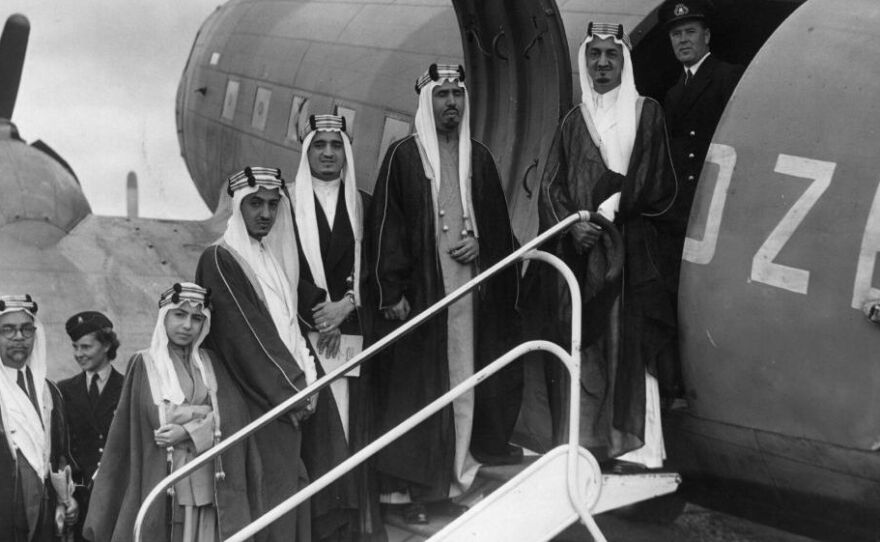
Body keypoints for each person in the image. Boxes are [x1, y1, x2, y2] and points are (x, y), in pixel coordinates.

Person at [366, 63, 519, 523]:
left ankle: (455, 478)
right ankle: (410, 492)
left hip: (467, 297)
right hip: (422, 299)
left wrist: (482, 244)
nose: (451, 103)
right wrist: (391, 290)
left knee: (462, 385)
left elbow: (498, 229)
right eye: (442, 95)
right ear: (426, 102)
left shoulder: (481, 158)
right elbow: (385, 228)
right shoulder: (404, 157)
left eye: (457, 95)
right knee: (416, 393)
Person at [538, 22, 677, 470]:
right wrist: (572, 228)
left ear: (624, 62)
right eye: (594, 55)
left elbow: (656, 179)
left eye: (610, 56)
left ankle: (639, 451)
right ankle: (589, 446)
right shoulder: (573, 121)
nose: (602, 64)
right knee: (588, 347)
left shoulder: (646, 111)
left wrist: (612, 209)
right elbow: (552, 188)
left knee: (632, 350)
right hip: (584, 254)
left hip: (632, 254)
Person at [83, 283, 263, 542]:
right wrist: (204, 415)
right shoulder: (143, 362)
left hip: (209, 482)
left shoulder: (211, 362)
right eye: (180, 315)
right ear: (164, 316)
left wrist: (186, 431)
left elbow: (234, 416)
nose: (188, 325)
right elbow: (155, 417)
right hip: (164, 481)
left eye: (197, 318)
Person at [195, 166, 314, 541]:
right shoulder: (219, 258)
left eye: (273, 205)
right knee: (267, 503)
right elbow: (247, 339)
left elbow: (290, 330)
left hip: (284, 398)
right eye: (255, 204)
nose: (265, 213)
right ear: (237, 207)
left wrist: (309, 382)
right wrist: (294, 392)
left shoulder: (269, 260)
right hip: (256, 401)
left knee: (287, 498)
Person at [293, 114, 381, 540]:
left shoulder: (363, 201)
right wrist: (317, 308)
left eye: (335, 145)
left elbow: (376, 262)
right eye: (319, 145)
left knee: (353, 424)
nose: (328, 153)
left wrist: (346, 304)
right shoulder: (287, 204)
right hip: (305, 329)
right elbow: (280, 266)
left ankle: (353, 522)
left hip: (353, 327)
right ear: (306, 151)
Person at [658, 0, 744, 400]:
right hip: (683, 214)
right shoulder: (673, 94)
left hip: (716, 207)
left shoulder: (729, 78)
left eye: (690, 32)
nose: (683, 40)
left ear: (706, 36)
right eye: (676, 34)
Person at [0, 294, 78, 542]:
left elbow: (61, 453)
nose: (19, 338)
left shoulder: (49, 390)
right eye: (8, 330)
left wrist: (67, 497)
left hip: (45, 510)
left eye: (26, 330)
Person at [57, 311, 123, 542]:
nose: (78, 354)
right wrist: (68, 495)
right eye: (75, 347)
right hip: (80, 496)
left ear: (106, 345)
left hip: (116, 495)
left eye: (85, 347)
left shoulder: (127, 388)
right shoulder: (63, 390)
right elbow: (62, 448)